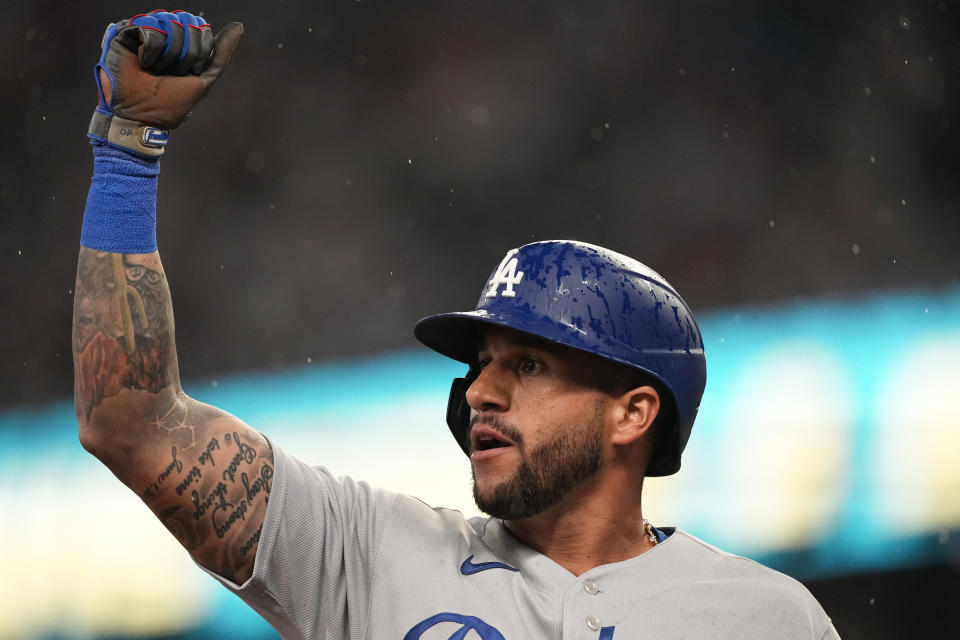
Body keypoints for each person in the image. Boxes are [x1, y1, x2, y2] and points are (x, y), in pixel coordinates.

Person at [74, 10, 839, 640]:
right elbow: (131, 423)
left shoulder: (768, 618)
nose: (480, 392)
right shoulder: (370, 551)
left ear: (633, 413)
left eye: (529, 366)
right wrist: (128, 157)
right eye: (481, 364)